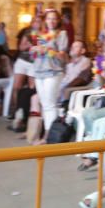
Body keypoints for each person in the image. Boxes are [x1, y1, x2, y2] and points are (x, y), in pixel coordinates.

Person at [31, 8, 69, 136]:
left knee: (50, 104)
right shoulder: (41, 35)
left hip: (53, 71)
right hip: (39, 70)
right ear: (45, 20)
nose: (51, 21)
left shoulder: (62, 34)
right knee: (44, 103)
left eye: (54, 18)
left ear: (58, 20)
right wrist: (36, 50)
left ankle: (48, 136)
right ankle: (45, 133)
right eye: (49, 18)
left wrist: (48, 50)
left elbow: (62, 56)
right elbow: (35, 55)